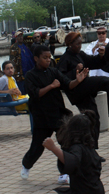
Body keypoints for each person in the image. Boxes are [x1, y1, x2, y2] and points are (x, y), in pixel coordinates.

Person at [21, 45, 88, 182]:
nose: (48, 60)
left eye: (49, 57)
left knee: (66, 142)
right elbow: (35, 94)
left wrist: (77, 81)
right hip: (41, 117)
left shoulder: (53, 72)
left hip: (58, 114)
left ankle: (64, 173)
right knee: (37, 147)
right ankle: (26, 165)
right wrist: (51, 86)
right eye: (44, 58)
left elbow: (67, 84)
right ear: (36, 59)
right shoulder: (30, 76)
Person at [57, 32, 109, 150]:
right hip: (77, 91)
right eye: (77, 44)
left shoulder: (80, 54)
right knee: (103, 81)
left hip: (85, 92)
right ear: (70, 44)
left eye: (80, 44)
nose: (79, 46)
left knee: (94, 119)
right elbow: (61, 79)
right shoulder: (65, 59)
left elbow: (93, 62)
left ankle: (92, 151)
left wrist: (101, 56)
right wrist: (75, 71)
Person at [84, 27, 109, 117]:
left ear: (106, 33)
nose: (101, 35)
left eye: (103, 33)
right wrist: (95, 47)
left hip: (107, 71)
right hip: (96, 72)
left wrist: (107, 48)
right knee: (98, 92)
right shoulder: (92, 44)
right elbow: (87, 55)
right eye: (99, 33)